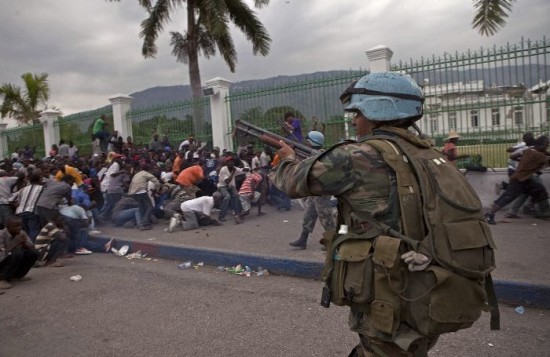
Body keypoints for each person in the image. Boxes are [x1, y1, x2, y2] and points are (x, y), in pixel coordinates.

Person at [270, 72, 445, 356]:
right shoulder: (429, 154)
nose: (354, 120)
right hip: (430, 287)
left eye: (358, 112)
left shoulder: (357, 156)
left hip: (388, 292)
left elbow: (290, 182)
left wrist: (287, 158)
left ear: (376, 112)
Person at [288, 131, 336, 250]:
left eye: (307, 140)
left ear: (310, 142)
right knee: (309, 214)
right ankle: (303, 240)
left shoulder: (319, 155)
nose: (306, 142)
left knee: (325, 216)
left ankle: (333, 242)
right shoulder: (315, 154)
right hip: (313, 190)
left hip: (321, 191)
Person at [485, 135, 550, 224]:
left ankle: (537, 210)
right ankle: (490, 214)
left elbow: (513, 156)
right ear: (541, 145)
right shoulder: (538, 155)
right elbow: (546, 159)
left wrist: (524, 161)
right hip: (518, 180)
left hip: (527, 180)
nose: (548, 146)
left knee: (540, 190)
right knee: (507, 198)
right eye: (547, 144)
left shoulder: (528, 150)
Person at [0, 215, 39, 289]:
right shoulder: (1, 234)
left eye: (20, 225)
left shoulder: (22, 233)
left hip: (11, 258)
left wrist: (24, 244)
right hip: (2, 262)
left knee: (33, 253)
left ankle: (17, 276)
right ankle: (1, 279)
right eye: (16, 226)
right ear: (7, 227)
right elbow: (1, 255)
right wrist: (14, 243)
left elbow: (32, 247)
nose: (19, 228)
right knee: (17, 253)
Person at [127, 161, 160, 230]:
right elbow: (156, 182)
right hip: (141, 192)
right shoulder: (146, 174)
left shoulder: (137, 174)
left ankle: (136, 223)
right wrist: (157, 190)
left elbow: (131, 184)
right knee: (150, 207)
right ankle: (145, 222)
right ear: (148, 169)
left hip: (133, 193)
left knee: (141, 208)